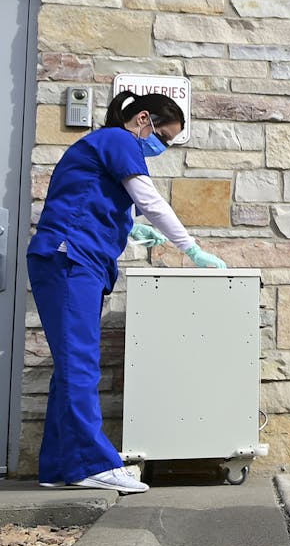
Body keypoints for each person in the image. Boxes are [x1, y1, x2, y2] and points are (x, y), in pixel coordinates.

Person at [27, 90, 227, 494]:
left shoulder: (102, 149)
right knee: (81, 362)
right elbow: (149, 200)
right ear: (143, 120)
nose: (161, 147)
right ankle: (94, 464)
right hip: (72, 259)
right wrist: (189, 247)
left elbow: (89, 200)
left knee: (70, 365)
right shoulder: (120, 139)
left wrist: (133, 229)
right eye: (163, 138)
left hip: (76, 261)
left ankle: (58, 465)